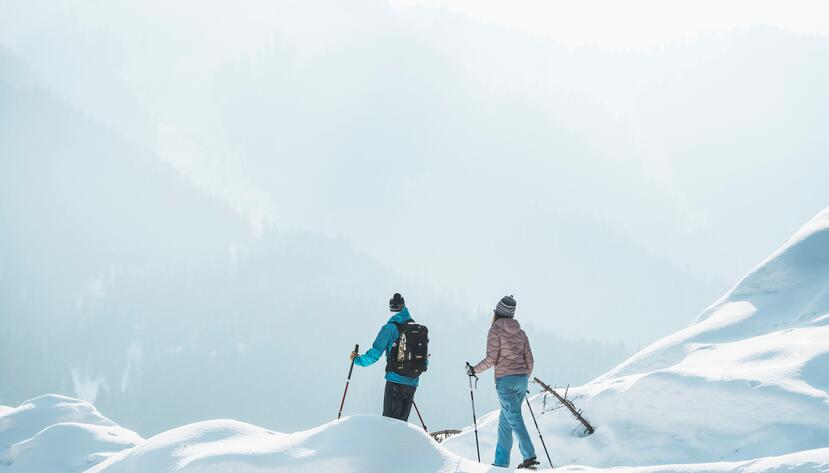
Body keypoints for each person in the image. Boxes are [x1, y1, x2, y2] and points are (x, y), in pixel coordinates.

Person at [467, 295, 539, 469]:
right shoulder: (521, 333)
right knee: (505, 422)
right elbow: (530, 361)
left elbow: (491, 359)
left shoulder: (495, 331)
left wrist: (474, 370)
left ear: (497, 313)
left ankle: (529, 455)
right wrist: (523, 377)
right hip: (522, 380)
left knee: (513, 417)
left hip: (505, 380)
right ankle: (500, 463)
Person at [350, 293, 425, 421]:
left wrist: (357, 360)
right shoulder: (415, 328)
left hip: (395, 380)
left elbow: (375, 353)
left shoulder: (389, 328)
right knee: (401, 424)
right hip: (412, 381)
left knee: (389, 424)